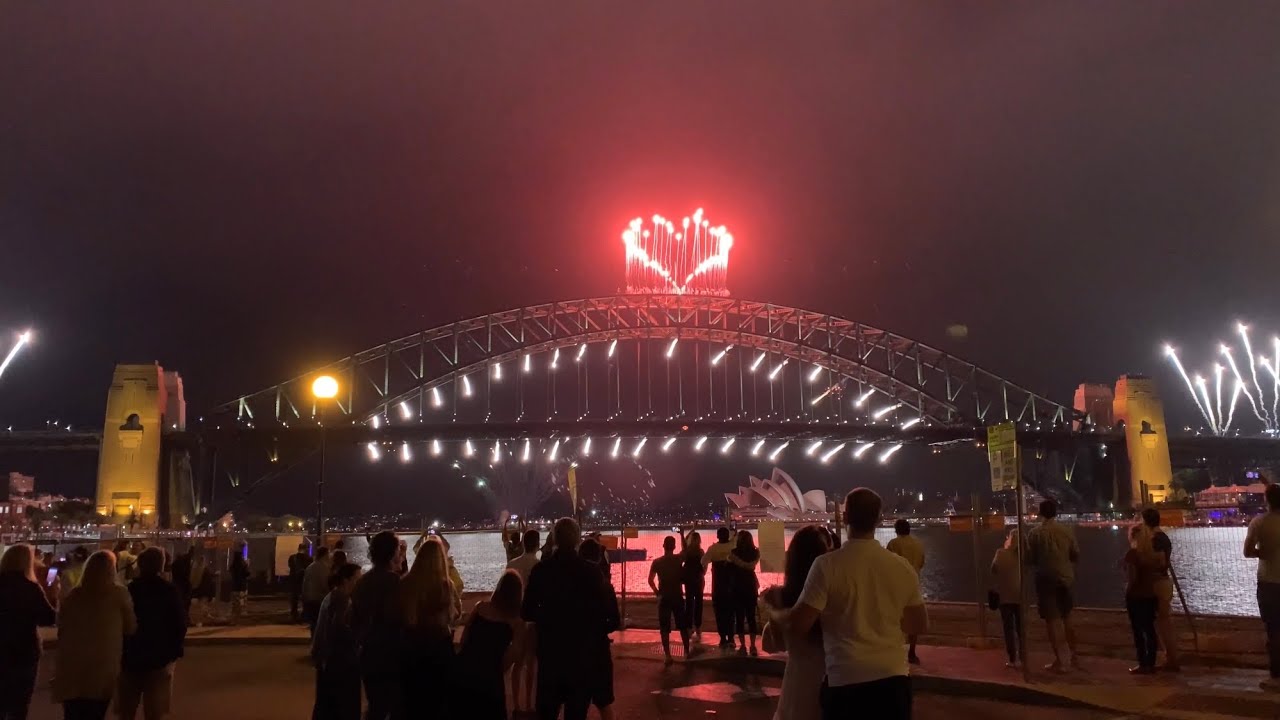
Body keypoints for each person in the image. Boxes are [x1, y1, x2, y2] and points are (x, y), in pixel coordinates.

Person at [786, 489, 927, 720]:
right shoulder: (902, 567)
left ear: (846, 515)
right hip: (894, 680)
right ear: (879, 518)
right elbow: (919, 624)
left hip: (845, 681)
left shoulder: (826, 565)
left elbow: (799, 624)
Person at [522, 517, 616, 720]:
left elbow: (526, 611)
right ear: (577, 540)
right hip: (581, 660)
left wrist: (547, 617)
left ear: (554, 539)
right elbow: (605, 613)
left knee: (546, 713)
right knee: (576, 714)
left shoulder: (541, 571)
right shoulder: (591, 572)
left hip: (550, 657)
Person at [52, 551, 138, 720]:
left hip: (73, 663)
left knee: (73, 713)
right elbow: (130, 627)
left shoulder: (74, 596)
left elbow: (61, 626)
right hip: (103, 663)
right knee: (96, 711)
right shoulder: (119, 594)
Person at [762, 526, 829, 720]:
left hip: (798, 683)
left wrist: (774, 611)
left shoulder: (782, 596)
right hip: (833, 677)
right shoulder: (833, 591)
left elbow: (773, 645)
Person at [118, 547, 186, 720]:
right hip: (159, 657)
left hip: (131, 656)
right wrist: (175, 651)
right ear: (161, 566)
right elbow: (178, 623)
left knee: (126, 710)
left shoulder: (130, 590)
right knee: (155, 711)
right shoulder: (168, 591)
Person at [397, 538, 458, 718]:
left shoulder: (405, 583)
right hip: (439, 648)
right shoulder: (445, 585)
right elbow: (453, 615)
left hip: (412, 648)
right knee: (438, 703)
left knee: (413, 702)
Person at [456, 569, 524, 720]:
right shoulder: (515, 623)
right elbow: (512, 657)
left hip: (464, 671)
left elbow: (464, 640)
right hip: (489, 680)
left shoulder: (480, 607)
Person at [351, 531, 404, 719]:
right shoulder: (394, 582)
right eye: (398, 550)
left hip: (368, 653)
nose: (401, 554)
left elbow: (354, 619)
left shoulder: (362, 582)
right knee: (392, 705)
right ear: (391, 553)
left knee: (375, 706)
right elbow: (400, 617)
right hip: (391, 654)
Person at [0, 544, 57, 720]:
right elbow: (48, 619)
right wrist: (51, 593)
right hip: (23, 652)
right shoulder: (30, 588)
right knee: (19, 705)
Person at [1026, 498, 1081, 672]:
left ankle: (1060, 661)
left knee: (1052, 621)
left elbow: (1030, 559)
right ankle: (1073, 655)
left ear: (1040, 514)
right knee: (1067, 618)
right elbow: (1075, 555)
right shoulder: (1067, 531)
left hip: (1045, 581)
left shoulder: (1034, 534)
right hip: (1065, 579)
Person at [311, 562, 362, 720]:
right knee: (342, 707)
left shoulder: (333, 596)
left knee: (326, 706)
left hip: (328, 661)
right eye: (357, 579)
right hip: (339, 662)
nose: (358, 583)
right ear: (346, 580)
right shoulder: (341, 598)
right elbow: (340, 628)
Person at [578, 539, 620, 720]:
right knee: (604, 704)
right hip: (599, 651)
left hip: (576, 650)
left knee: (577, 704)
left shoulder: (573, 584)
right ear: (598, 558)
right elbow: (615, 621)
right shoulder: (605, 585)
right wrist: (600, 628)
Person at [1245, 483, 1280, 691]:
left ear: (1267, 500)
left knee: (1273, 630)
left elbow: (1248, 551)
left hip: (1268, 583)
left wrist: (1262, 552)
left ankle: (1276, 676)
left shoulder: (1259, 522)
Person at [1141, 507, 1180, 671]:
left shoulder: (1154, 539)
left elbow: (1161, 561)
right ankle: (1169, 657)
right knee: (1164, 622)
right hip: (1164, 582)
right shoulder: (1164, 537)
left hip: (1156, 582)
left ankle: (1170, 658)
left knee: (1162, 623)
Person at [886, 519, 926, 664]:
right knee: (913, 622)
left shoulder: (893, 544)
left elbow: (887, 564)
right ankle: (912, 652)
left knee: (895, 621)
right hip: (914, 585)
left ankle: (896, 650)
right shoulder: (918, 544)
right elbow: (921, 562)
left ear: (897, 530)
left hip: (896, 587)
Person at [1123, 524, 1162, 675]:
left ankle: (1142, 663)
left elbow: (1132, 578)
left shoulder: (1132, 554)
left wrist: (1127, 590)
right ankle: (1151, 663)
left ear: (1132, 536)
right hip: (1151, 595)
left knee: (1138, 631)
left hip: (1136, 596)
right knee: (1150, 629)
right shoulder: (1152, 554)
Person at [649, 536, 691, 664]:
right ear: (674, 547)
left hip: (664, 597)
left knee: (664, 627)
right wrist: (683, 534)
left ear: (663, 546)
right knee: (682, 626)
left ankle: (668, 656)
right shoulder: (678, 559)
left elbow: (650, 580)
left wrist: (657, 593)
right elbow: (686, 550)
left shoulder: (657, 562)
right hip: (677, 596)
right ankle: (687, 652)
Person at [990, 530, 1023, 668]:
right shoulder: (1023, 555)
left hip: (1005, 597)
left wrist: (1004, 549)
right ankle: (1023, 657)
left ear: (1010, 539)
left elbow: (993, 569)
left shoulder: (1000, 553)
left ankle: (1012, 658)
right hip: (1020, 596)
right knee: (1021, 629)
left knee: (1008, 628)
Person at [701, 527, 736, 648]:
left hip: (718, 585)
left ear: (717, 536)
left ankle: (723, 638)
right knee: (731, 612)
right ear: (728, 536)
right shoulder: (733, 546)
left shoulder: (713, 548)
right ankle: (731, 637)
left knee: (719, 612)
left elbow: (703, 561)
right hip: (732, 584)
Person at [730, 530, 761, 655]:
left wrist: (736, 561)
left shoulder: (733, 553)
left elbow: (732, 564)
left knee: (739, 617)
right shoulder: (756, 552)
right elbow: (751, 566)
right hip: (751, 586)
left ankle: (742, 645)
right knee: (751, 617)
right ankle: (753, 645)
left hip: (737, 586)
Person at [679, 530, 706, 641]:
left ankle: (689, 628)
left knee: (689, 603)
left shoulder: (687, 552)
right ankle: (698, 628)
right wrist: (702, 574)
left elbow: (680, 560)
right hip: (699, 580)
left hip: (689, 580)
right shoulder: (701, 552)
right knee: (699, 603)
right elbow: (704, 566)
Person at [301, 547, 332, 635]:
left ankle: (313, 643)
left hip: (310, 599)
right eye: (328, 553)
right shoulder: (323, 568)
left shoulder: (310, 567)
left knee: (313, 625)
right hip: (319, 599)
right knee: (320, 625)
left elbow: (305, 584)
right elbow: (325, 584)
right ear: (325, 555)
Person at [188, 555, 216, 627]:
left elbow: (192, 581)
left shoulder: (194, 569)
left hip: (197, 591)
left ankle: (205, 616)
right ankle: (200, 620)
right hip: (204, 591)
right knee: (202, 606)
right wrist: (211, 594)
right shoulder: (205, 570)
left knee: (199, 606)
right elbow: (209, 583)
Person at [169, 547, 194, 625]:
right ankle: (185, 619)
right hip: (184, 586)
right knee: (185, 604)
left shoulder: (174, 565)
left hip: (178, 585)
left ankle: (181, 619)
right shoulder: (185, 564)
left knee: (181, 603)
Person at [288, 543, 312, 624]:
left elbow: (290, 567)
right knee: (305, 600)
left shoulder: (292, 557)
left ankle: (294, 616)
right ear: (305, 549)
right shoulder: (308, 558)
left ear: (298, 548)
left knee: (294, 600)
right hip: (304, 582)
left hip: (294, 581)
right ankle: (304, 616)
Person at [228, 543, 250, 625]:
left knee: (235, 605)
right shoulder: (243, 565)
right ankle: (237, 619)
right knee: (240, 604)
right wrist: (247, 565)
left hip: (234, 587)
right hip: (241, 587)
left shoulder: (233, 566)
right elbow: (247, 574)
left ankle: (233, 619)